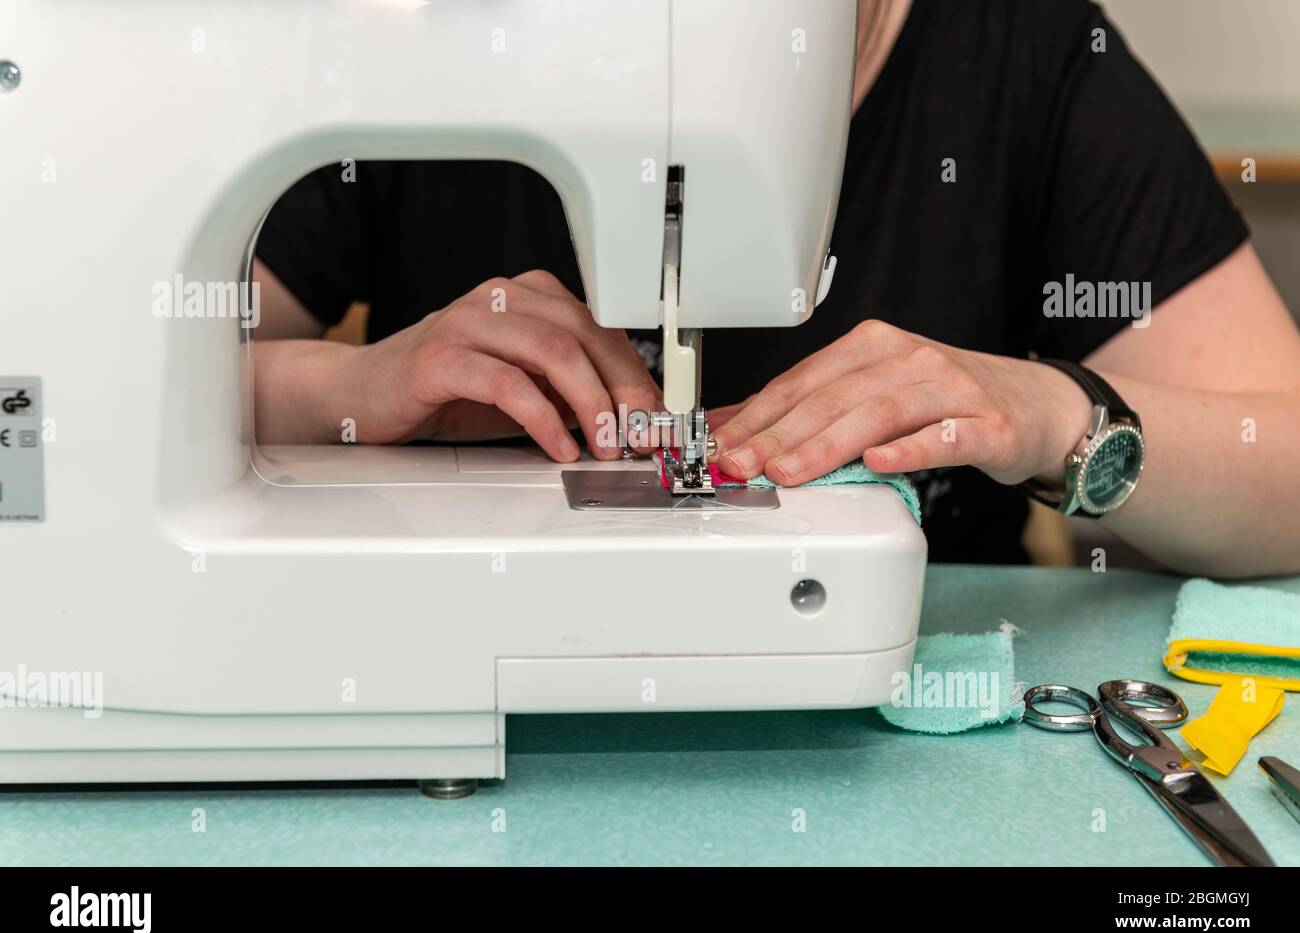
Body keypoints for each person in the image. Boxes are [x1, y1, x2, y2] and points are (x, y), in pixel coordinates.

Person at [252, 0, 1300, 578]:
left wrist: (1052, 415)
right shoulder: (440, 34)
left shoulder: (1018, 51)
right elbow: (121, 379)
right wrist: (347, 390)